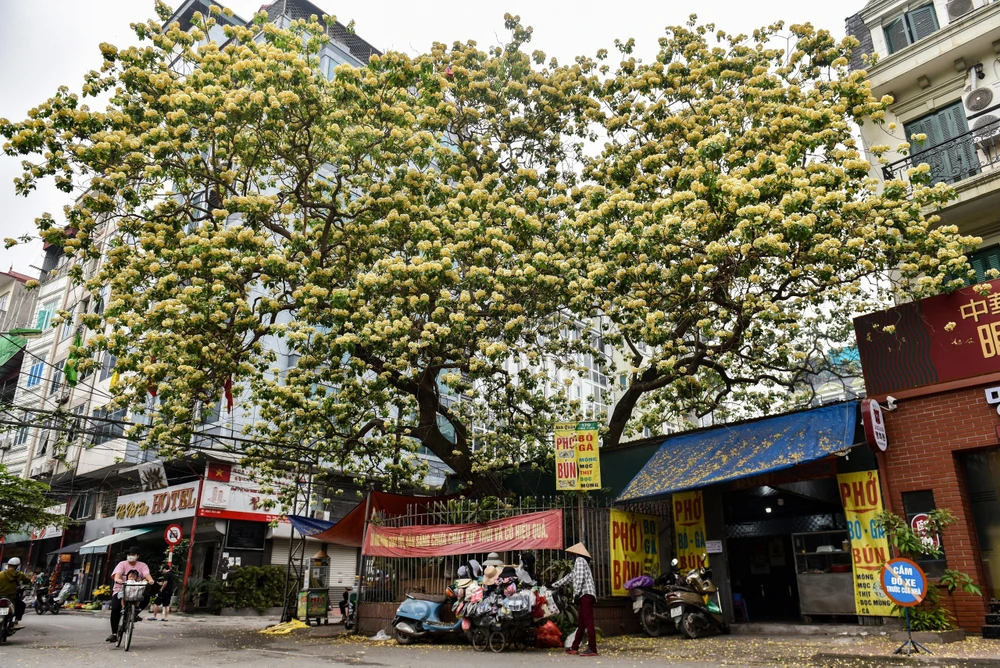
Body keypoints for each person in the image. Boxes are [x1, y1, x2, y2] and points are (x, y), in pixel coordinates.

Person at [552, 543, 598, 657]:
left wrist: (576, 594)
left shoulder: (580, 561)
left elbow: (580, 578)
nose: (571, 557)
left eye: (572, 554)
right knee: (581, 624)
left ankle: (592, 648)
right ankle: (574, 647)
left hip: (585, 595)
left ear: (577, 553)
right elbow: (569, 577)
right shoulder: (580, 563)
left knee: (588, 622)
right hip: (586, 595)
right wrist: (554, 585)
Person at [106, 546, 155, 643]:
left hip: (136, 591)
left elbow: (146, 574)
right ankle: (114, 634)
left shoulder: (142, 566)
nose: (130, 556)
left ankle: (134, 613)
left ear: (138, 556)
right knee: (115, 608)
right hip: (121, 590)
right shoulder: (122, 564)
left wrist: (150, 580)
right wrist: (118, 579)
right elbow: (117, 574)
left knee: (146, 597)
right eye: (129, 554)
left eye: (133, 555)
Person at [0, 557, 32, 630]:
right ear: (17, 566)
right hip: (11, 597)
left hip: (0, 596)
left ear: (8, 565)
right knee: (21, 605)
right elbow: (27, 581)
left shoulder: (1, 574)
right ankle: (16, 622)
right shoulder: (19, 574)